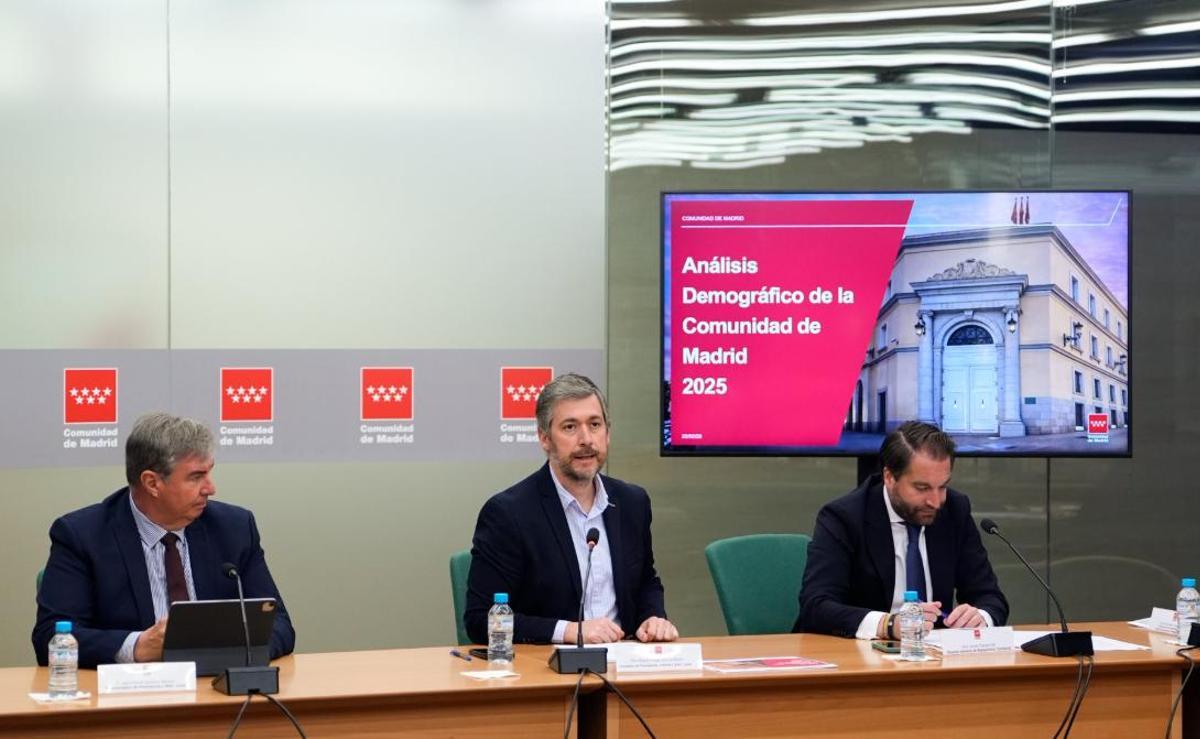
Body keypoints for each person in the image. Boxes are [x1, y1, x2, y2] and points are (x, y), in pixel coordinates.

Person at [33, 412, 295, 668]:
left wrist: (229, 652)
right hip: (125, 700)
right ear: (152, 483)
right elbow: (51, 638)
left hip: (215, 692)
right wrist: (137, 646)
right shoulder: (82, 536)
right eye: (196, 477)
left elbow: (279, 624)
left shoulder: (234, 528)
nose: (210, 488)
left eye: (209, 473)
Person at [465, 372, 677, 645]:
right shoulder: (508, 514)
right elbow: (480, 619)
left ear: (608, 433)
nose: (586, 439)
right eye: (570, 427)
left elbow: (645, 580)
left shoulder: (632, 502)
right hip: (547, 672)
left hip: (624, 666)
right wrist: (569, 631)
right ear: (545, 438)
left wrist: (653, 617)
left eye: (595, 424)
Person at [796, 420, 1008, 639]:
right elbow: (816, 607)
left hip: (936, 657)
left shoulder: (954, 510)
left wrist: (981, 616)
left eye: (942, 486)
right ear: (889, 477)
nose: (935, 502)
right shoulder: (844, 518)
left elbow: (989, 596)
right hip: (863, 657)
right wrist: (888, 624)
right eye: (922, 488)